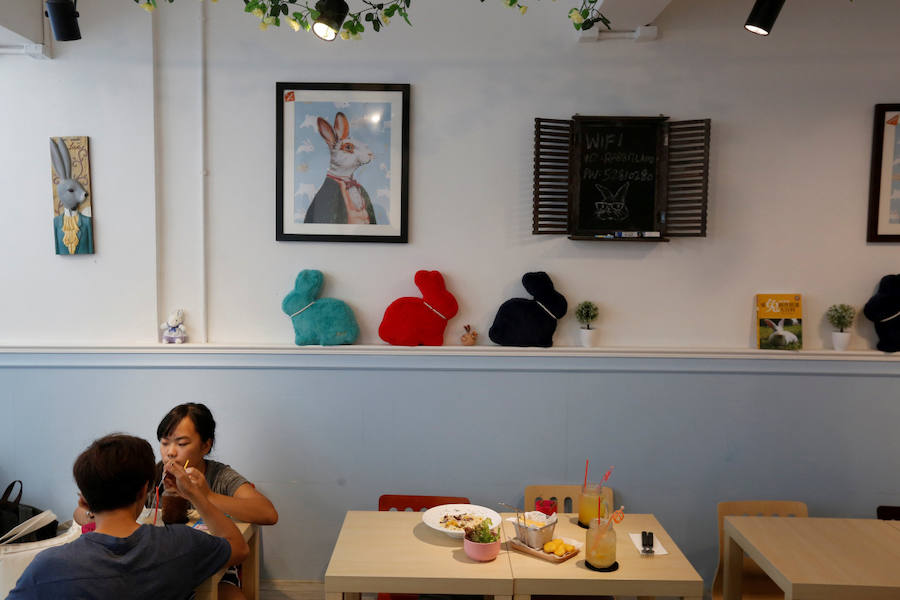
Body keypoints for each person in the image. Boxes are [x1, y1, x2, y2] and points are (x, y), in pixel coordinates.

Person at [8, 434, 248, 599]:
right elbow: (238, 546)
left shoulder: (48, 568)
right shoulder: (182, 544)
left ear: (84, 500)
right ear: (144, 491)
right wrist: (198, 496)